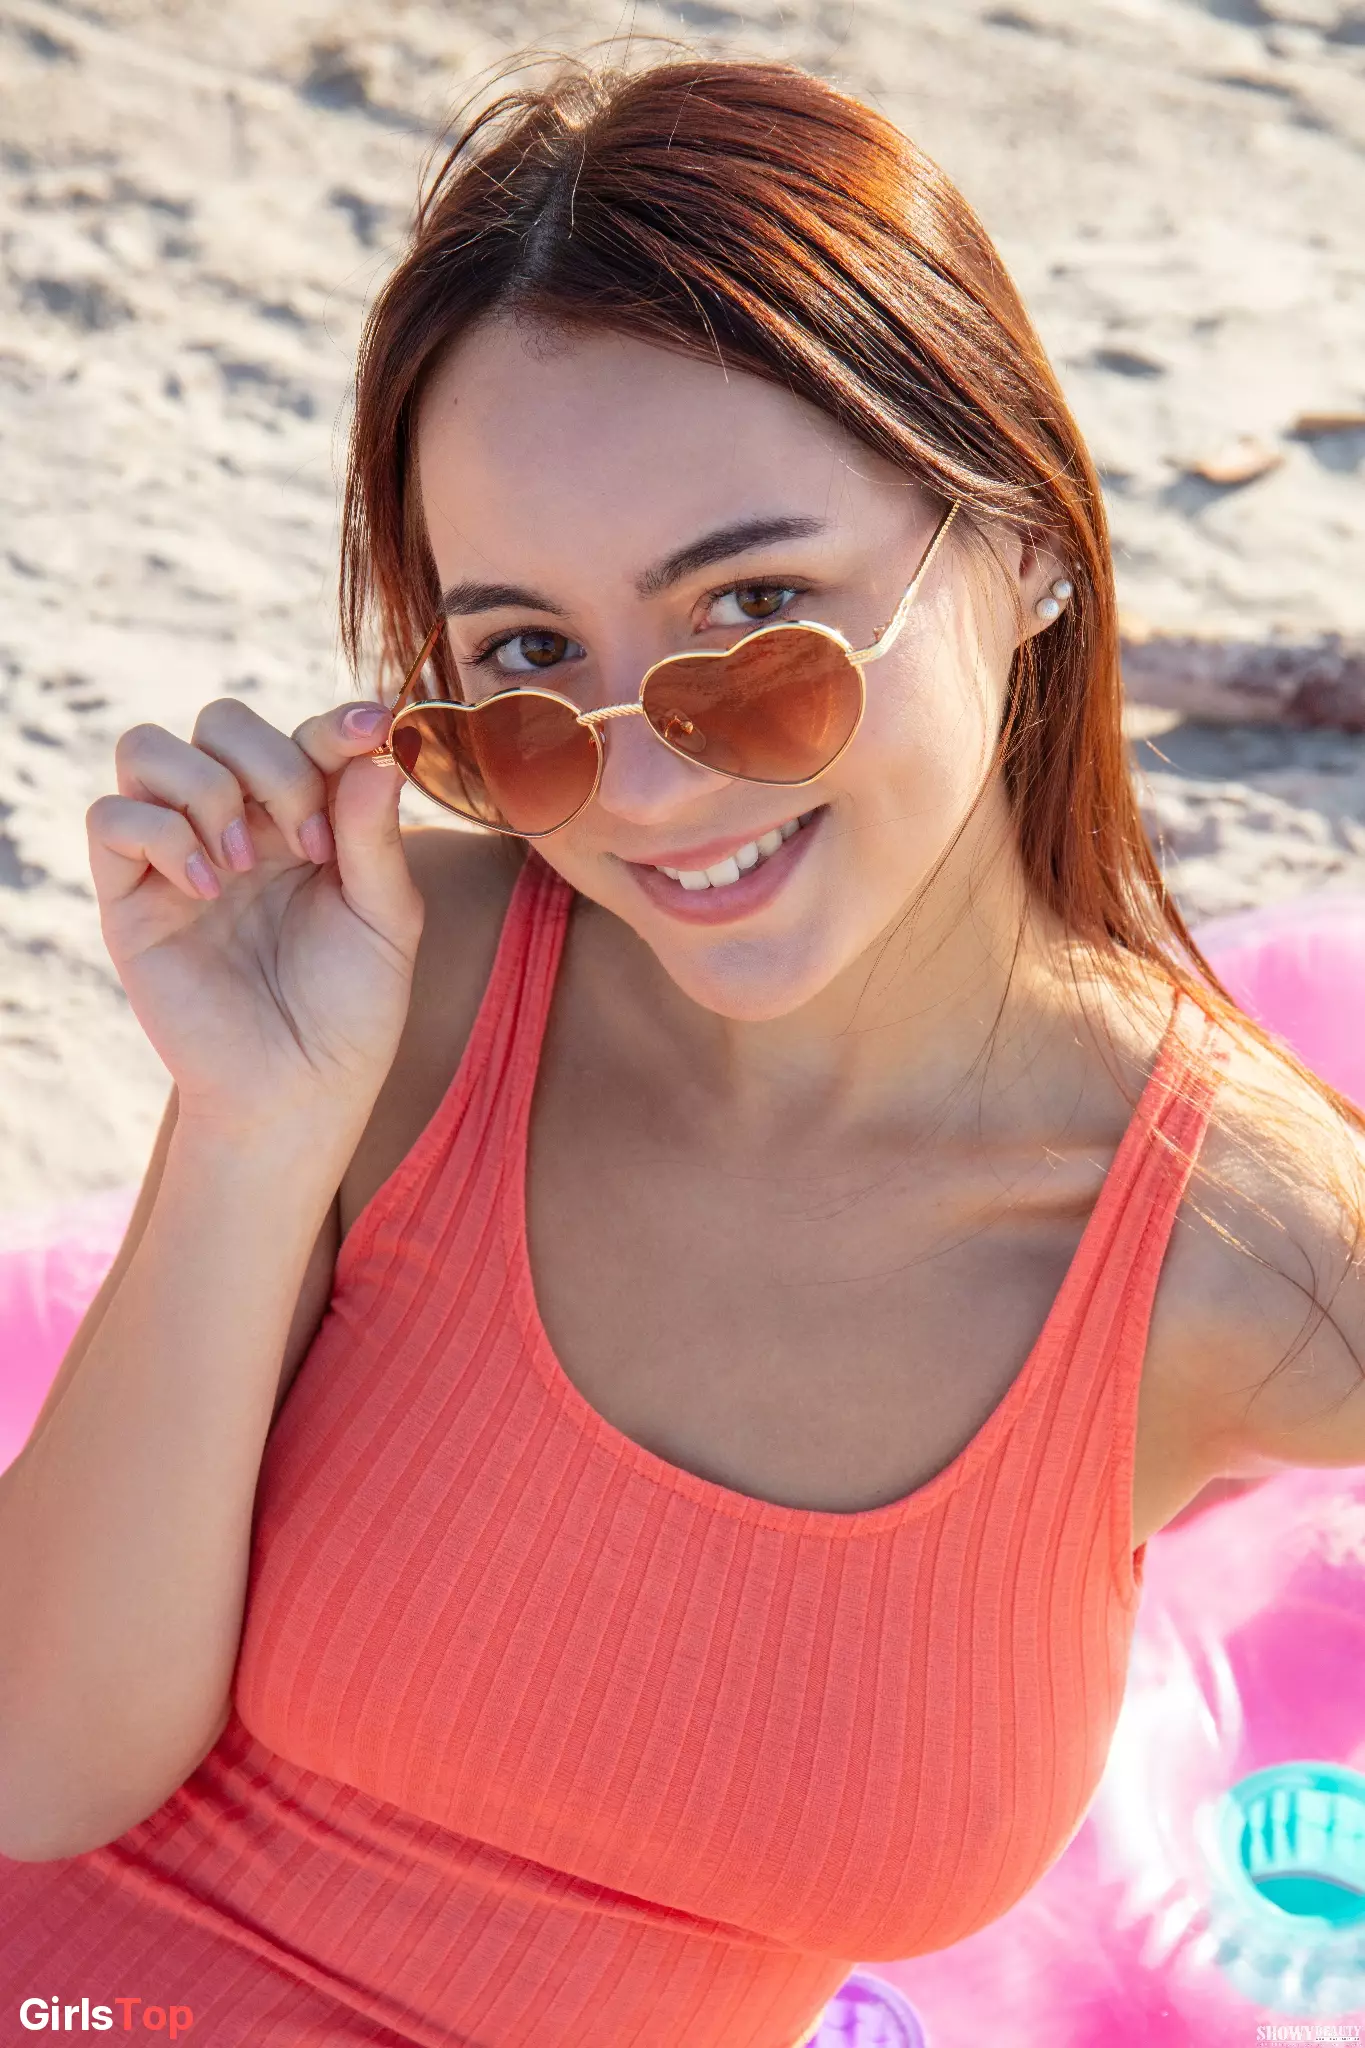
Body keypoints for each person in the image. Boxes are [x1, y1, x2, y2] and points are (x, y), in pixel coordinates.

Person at [2, 51, 1362, 2048]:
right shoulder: (395, 998)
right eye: (527, 661)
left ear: (1025, 548)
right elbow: (39, 1764)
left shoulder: (1241, 1260)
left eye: (755, 612)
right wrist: (250, 1127)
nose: (641, 784)